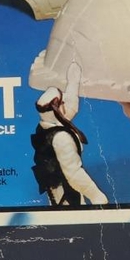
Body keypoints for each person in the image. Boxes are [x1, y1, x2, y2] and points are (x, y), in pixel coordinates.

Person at [30, 63, 108, 207]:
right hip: (66, 196)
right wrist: (96, 195)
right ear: (57, 109)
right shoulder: (61, 138)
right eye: (62, 101)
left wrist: (73, 80)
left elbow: (69, 108)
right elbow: (74, 174)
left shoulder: (46, 124)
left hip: (60, 190)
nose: (66, 101)